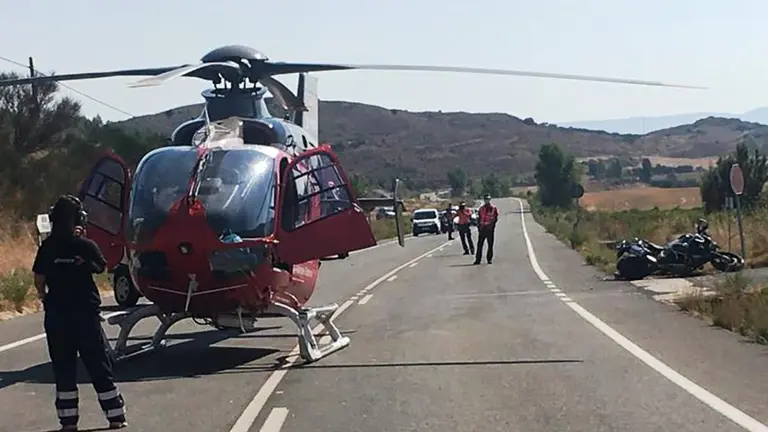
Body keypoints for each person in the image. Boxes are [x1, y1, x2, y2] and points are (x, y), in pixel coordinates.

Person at [32, 194, 128, 431]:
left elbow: (39, 279)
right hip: (85, 314)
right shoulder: (85, 246)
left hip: (57, 316)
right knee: (98, 365)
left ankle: (68, 422)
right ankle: (115, 416)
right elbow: (102, 266)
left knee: (63, 368)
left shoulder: (47, 247)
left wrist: (45, 297)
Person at [474, 194, 499, 265]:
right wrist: (479, 227)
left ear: (490, 200)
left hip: (489, 229)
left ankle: (489, 259)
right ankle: (478, 260)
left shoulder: (493, 208)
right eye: (486, 199)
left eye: (488, 199)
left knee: (490, 245)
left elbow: (495, 218)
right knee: (479, 245)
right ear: (484, 200)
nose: (487, 201)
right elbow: (479, 218)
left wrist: (492, 226)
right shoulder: (481, 208)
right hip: (482, 229)